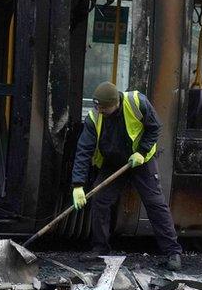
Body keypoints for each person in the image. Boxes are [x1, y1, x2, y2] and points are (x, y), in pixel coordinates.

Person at [71, 82, 183, 271]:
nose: (101, 111)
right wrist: (77, 185)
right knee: (100, 200)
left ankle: (173, 253)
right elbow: (84, 150)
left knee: (155, 203)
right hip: (113, 163)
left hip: (141, 161)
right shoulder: (94, 117)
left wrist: (141, 151)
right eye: (98, 107)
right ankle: (100, 249)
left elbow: (154, 127)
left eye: (105, 108)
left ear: (116, 102)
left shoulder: (137, 102)